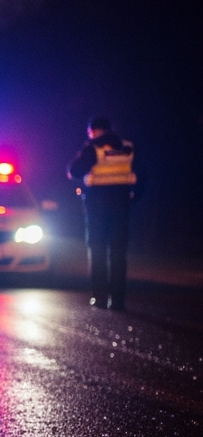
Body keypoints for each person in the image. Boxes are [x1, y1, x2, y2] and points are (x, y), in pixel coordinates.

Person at [68, 116, 136, 311]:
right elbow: (142, 175)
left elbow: (74, 171)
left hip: (97, 208)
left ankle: (99, 297)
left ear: (93, 131)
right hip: (121, 207)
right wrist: (132, 198)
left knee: (97, 252)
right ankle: (118, 300)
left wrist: (86, 149)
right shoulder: (128, 147)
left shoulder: (93, 147)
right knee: (118, 254)